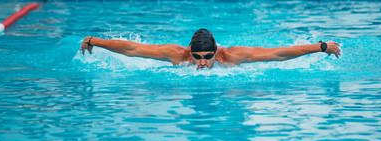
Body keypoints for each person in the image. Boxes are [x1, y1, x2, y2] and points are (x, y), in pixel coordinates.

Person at [79, 28, 340, 69]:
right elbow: (133, 49)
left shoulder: (233, 56)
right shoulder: (176, 54)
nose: (202, 63)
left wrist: (320, 46)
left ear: (217, 51)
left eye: (207, 57)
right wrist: (94, 41)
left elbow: (278, 53)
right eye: (197, 57)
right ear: (189, 51)